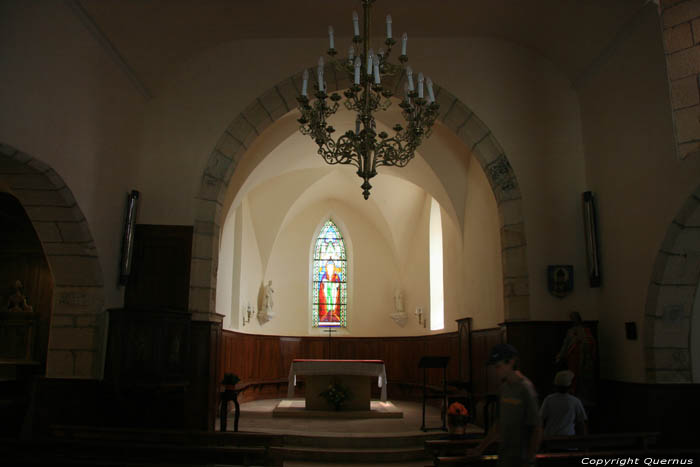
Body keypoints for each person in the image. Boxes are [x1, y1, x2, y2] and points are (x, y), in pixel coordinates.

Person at [468, 344, 541, 467]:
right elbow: (499, 424)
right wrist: (480, 448)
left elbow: (537, 428)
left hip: (521, 458)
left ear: (511, 362)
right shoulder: (504, 388)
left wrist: (530, 457)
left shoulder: (525, 388)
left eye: (498, 366)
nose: (496, 371)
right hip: (505, 456)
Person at [555, 311, 596, 406]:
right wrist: (560, 355)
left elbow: (591, 342)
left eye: (574, 318)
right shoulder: (571, 331)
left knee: (584, 377)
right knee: (573, 376)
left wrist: (583, 343)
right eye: (572, 318)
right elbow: (566, 345)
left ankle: (584, 396)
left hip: (584, 357)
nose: (573, 320)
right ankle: (574, 394)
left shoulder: (586, 330)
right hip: (573, 357)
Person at [539, 370, 587, 437]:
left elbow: (541, 419)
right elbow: (581, 423)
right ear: (570, 385)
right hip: (568, 440)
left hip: (550, 439)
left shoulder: (549, 399)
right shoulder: (575, 401)